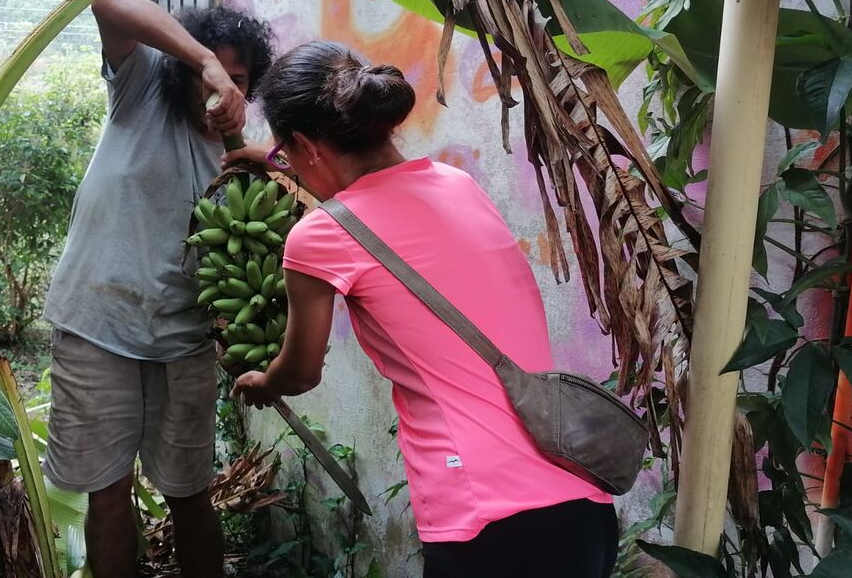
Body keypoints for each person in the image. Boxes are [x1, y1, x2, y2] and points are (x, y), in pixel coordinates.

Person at [229, 41, 619, 578]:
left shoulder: (318, 237)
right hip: (579, 497)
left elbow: (300, 373)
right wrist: (274, 161)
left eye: (284, 154)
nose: (287, 167)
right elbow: (379, 220)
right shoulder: (457, 184)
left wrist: (264, 383)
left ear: (304, 145)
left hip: (486, 520)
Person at [42, 0, 273, 578]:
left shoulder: (244, 163)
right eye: (215, 74)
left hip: (184, 340)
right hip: (97, 323)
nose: (223, 90)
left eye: (240, 78)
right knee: (107, 491)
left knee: (189, 491)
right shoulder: (140, 89)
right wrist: (206, 61)